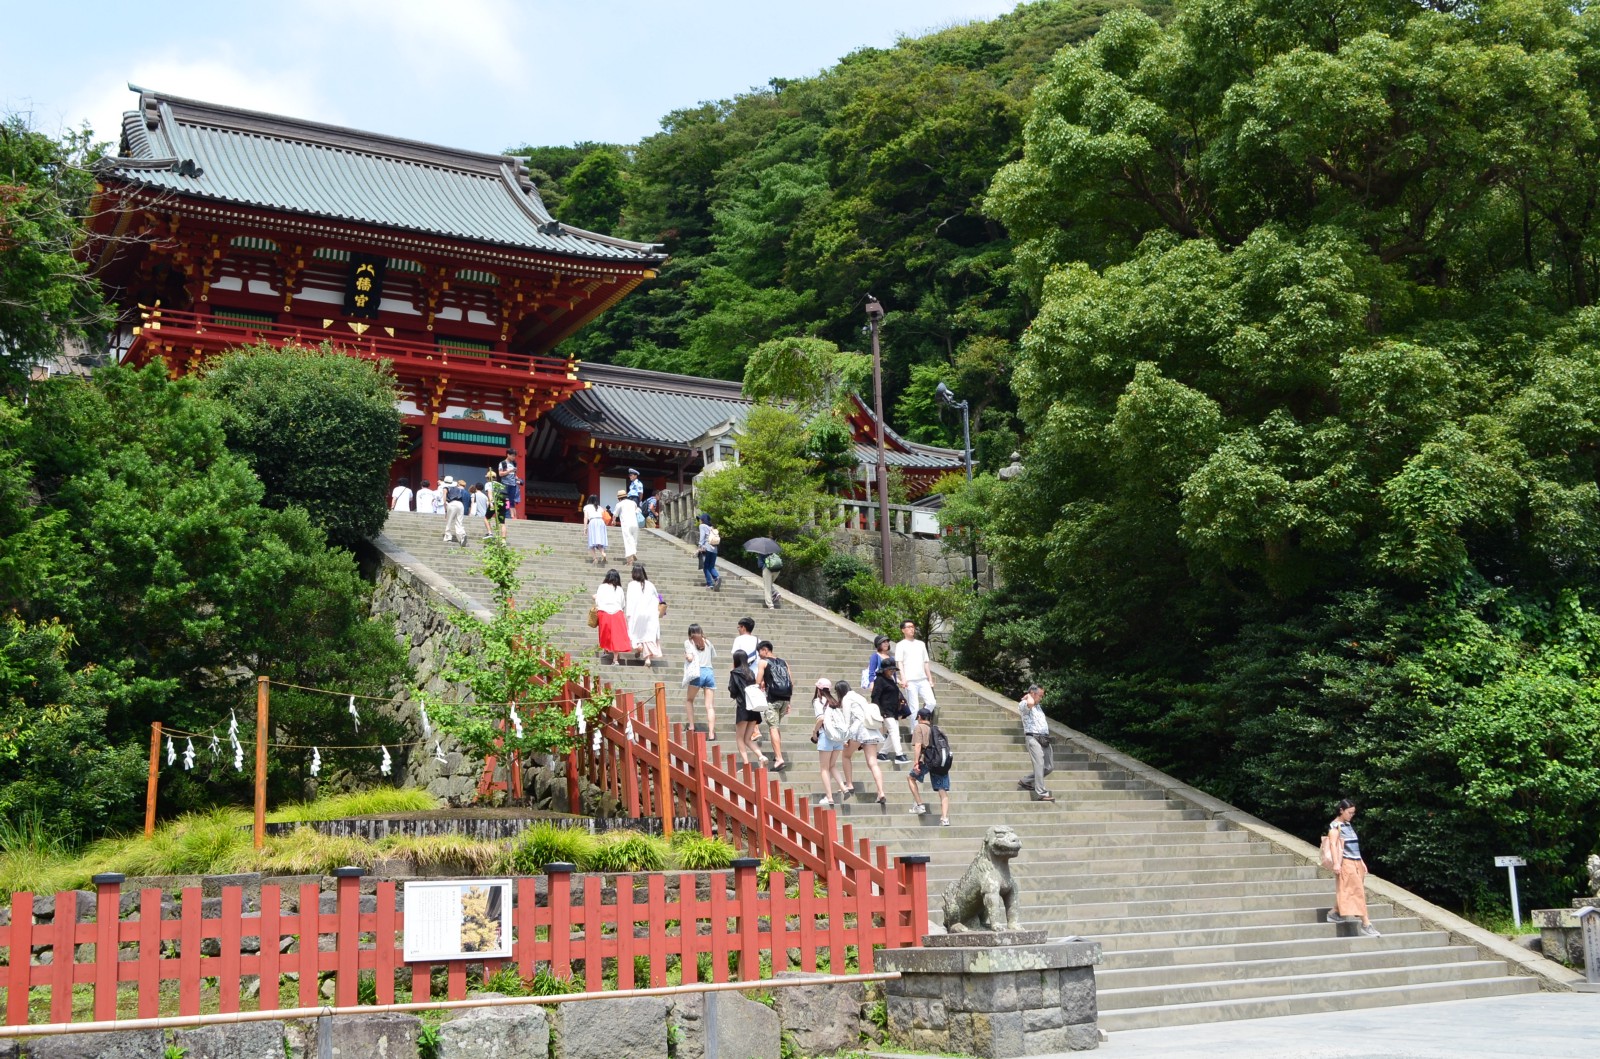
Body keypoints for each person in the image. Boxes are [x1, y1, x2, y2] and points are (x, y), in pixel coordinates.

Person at [1327, 799, 1380, 937]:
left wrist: (1361, 861)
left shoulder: (1348, 825)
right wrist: (1336, 864)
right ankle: (1366, 923)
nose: (1351, 815)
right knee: (1358, 892)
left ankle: (1335, 913)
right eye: (1349, 812)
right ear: (1341, 811)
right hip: (1346, 863)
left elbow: (1354, 846)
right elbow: (1333, 845)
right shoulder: (1335, 826)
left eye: (1353, 813)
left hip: (1356, 862)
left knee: (1353, 890)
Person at [837, 679, 887, 804]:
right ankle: (881, 792)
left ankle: (849, 784)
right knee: (873, 763)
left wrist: (845, 738)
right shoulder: (859, 696)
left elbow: (847, 719)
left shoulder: (846, 699)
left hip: (858, 730)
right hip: (870, 730)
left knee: (846, 756)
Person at [906, 707, 951, 825]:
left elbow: (918, 746)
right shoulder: (937, 728)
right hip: (941, 761)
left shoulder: (919, 727)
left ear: (919, 717)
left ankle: (920, 805)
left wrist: (916, 762)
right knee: (942, 790)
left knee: (911, 778)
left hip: (928, 760)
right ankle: (945, 818)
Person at [810, 679, 850, 807]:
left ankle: (829, 797)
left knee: (824, 768)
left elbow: (821, 718)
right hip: (837, 738)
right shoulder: (834, 702)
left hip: (826, 736)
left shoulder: (818, 701)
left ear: (818, 689)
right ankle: (844, 788)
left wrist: (814, 731)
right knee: (832, 766)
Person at [754, 641, 792, 770]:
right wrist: (789, 702)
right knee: (776, 726)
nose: (759, 655)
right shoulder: (784, 662)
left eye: (760, 652)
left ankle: (779, 759)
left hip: (772, 699)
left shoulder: (763, 662)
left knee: (773, 727)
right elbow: (790, 682)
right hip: (785, 699)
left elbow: (757, 682)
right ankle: (778, 755)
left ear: (765, 650)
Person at [869, 657, 911, 765]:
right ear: (884, 669)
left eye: (893, 670)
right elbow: (875, 697)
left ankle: (882, 753)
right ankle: (899, 755)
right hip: (885, 711)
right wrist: (880, 712)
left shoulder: (891, 680)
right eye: (890, 669)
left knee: (894, 732)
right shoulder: (879, 680)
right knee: (894, 732)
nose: (892, 671)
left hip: (893, 711)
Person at [1016, 684, 1054, 802]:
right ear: (1033, 693)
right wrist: (1028, 696)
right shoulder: (1024, 703)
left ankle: (1026, 780)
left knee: (1049, 767)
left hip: (1044, 738)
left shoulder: (1038, 706)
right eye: (1040, 695)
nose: (1041, 698)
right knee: (1039, 764)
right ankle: (1042, 793)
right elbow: (1030, 704)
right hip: (1032, 737)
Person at [729, 649, 764, 768]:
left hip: (743, 708)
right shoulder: (751, 672)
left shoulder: (735, 673)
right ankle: (761, 756)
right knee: (748, 739)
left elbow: (733, 691)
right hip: (754, 709)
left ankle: (745, 763)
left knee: (739, 738)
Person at [681, 624, 717, 739]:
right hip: (709, 672)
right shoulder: (708, 642)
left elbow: (690, 658)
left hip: (697, 673)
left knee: (689, 700)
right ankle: (711, 733)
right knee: (709, 706)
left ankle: (691, 726)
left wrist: (686, 655)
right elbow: (712, 656)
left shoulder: (688, 642)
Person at [894, 620, 937, 715]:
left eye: (912, 627)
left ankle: (921, 716)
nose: (911, 629)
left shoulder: (921, 644)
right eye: (908, 627)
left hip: (923, 679)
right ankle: (915, 729)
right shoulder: (900, 645)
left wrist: (930, 679)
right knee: (914, 707)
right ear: (903, 630)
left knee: (931, 702)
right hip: (910, 680)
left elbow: (926, 662)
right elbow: (899, 663)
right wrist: (903, 678)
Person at [625, 563, 664, 665]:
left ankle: (638, 647)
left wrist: (628, 614)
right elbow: (657, 598)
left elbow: (629, 600)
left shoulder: (631, 584)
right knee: (648, 635)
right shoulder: (650, 585)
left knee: (636, 633)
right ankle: (647, 659)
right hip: (650, 614)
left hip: (636, 614)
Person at [594, 569, 629, 664]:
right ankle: (615, 659)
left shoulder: (602, 587)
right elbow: (622, 603)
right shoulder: (619, 589)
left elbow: (598, 601)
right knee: (616, 636)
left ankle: (606, 649)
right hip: (617, 613)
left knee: (605, 633)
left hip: (604, 612)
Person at [696, 514, 722, 590]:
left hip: (706, 548)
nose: (699, 521)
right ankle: (717, 578)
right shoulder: (711, 528)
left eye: (700, 519)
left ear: (703, 520)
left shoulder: (702, 526)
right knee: (711, 566)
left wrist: (700, 546)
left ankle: (709, 584)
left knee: (705, 567)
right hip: (714, 549)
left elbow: (702, 537)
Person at [582, 494, 609, 565]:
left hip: (593, 522)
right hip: (601, 522)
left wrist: (585, 528)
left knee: (592, 541)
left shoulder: (586, 507)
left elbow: (585, 517)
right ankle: (603, 553)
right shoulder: (600, 507)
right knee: (600, 540)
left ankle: (595, 558)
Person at [615, 488, 640, 565]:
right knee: (634, 540)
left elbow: (615, 514)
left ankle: (630, 560)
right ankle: (634, 553)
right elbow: (637, 511)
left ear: (619, 498)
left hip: (626, 524)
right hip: (635, 523)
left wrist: (613, 521)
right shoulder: (633, 503)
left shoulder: (619, 504)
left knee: (628, 540)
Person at [483, 471, 507, 541]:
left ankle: (490, 533)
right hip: (502, 503)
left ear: (488, 478)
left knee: (486, 518)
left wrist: (490, 503)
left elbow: (490, 493)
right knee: (502, 523)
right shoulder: (501, 485)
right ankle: (503, 540)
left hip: (494, 502)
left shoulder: (489, 484)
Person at [442, 476, 466, 544]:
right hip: (460, 504)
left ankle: (448, 536)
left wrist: (445, 509)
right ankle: (462, 537)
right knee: (459, 522)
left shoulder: (445, 487)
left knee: (449, 521)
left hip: (452, 503)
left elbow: (444, 498)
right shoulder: (457, 489)